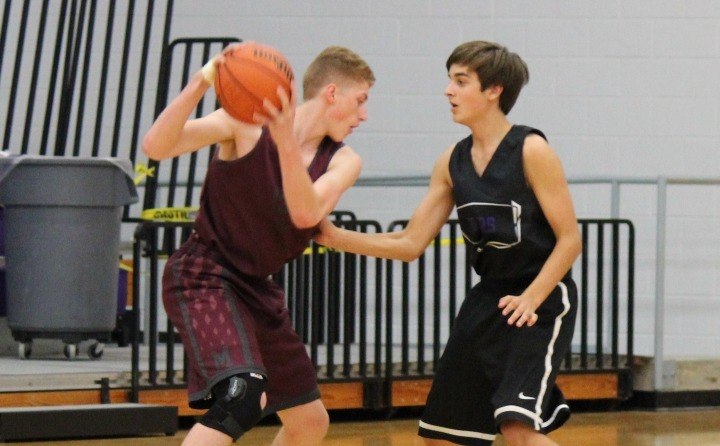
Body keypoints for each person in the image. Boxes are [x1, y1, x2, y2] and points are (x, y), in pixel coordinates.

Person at [314, 41, 581, 446]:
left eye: (461, 81)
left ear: (494, 91)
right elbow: (410, 242)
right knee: (441, 437)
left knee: (517, 428)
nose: (448, 91)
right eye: (450, 80)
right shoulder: (450, 162)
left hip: (539, 300)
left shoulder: (531, 150)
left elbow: (570, 239)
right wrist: (333, 236)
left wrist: (531, 297)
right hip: (487, 301)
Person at [142, 43, 375, 446]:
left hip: (257, 289)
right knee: (242, 396)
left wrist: (286, 141)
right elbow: (157, 147)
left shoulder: (344, 161)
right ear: (332, 92)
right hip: (204, 274)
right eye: (360, 101)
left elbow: (304, 213)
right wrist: (202, 81)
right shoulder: (244, 124)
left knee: (309, 421)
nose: (363, 115)